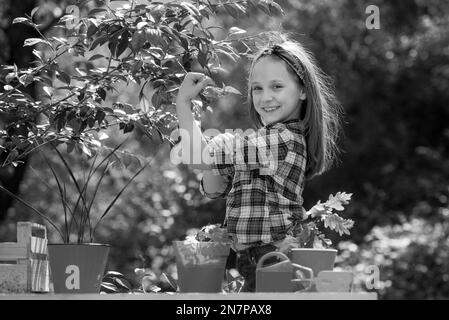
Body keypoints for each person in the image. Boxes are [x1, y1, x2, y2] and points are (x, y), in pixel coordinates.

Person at [174, 34, 342, 292]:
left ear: (302, 90)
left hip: (273, 261)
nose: (265, 98)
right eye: (257, 88)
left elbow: (202, 158)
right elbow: (213, 183)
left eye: (277, 86)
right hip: (258, 263)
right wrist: (213, 153)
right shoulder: (260, 144)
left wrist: (183, 104)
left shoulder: (283, 140)